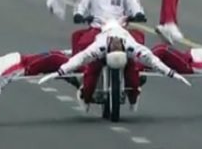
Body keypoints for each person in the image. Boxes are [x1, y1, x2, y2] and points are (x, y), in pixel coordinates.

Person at [40, 19, 191, 112]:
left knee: (134, 73)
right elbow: (78, 59)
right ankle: (85, 97)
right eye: (115, 45)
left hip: (126, 56)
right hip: (101, 54)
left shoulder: (132, 47)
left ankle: (133, 97)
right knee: (91, 71)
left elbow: (155, 62)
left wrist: (173, 74)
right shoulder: (99, 46)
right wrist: (59, 72)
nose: (117, 44)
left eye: (118, 45)